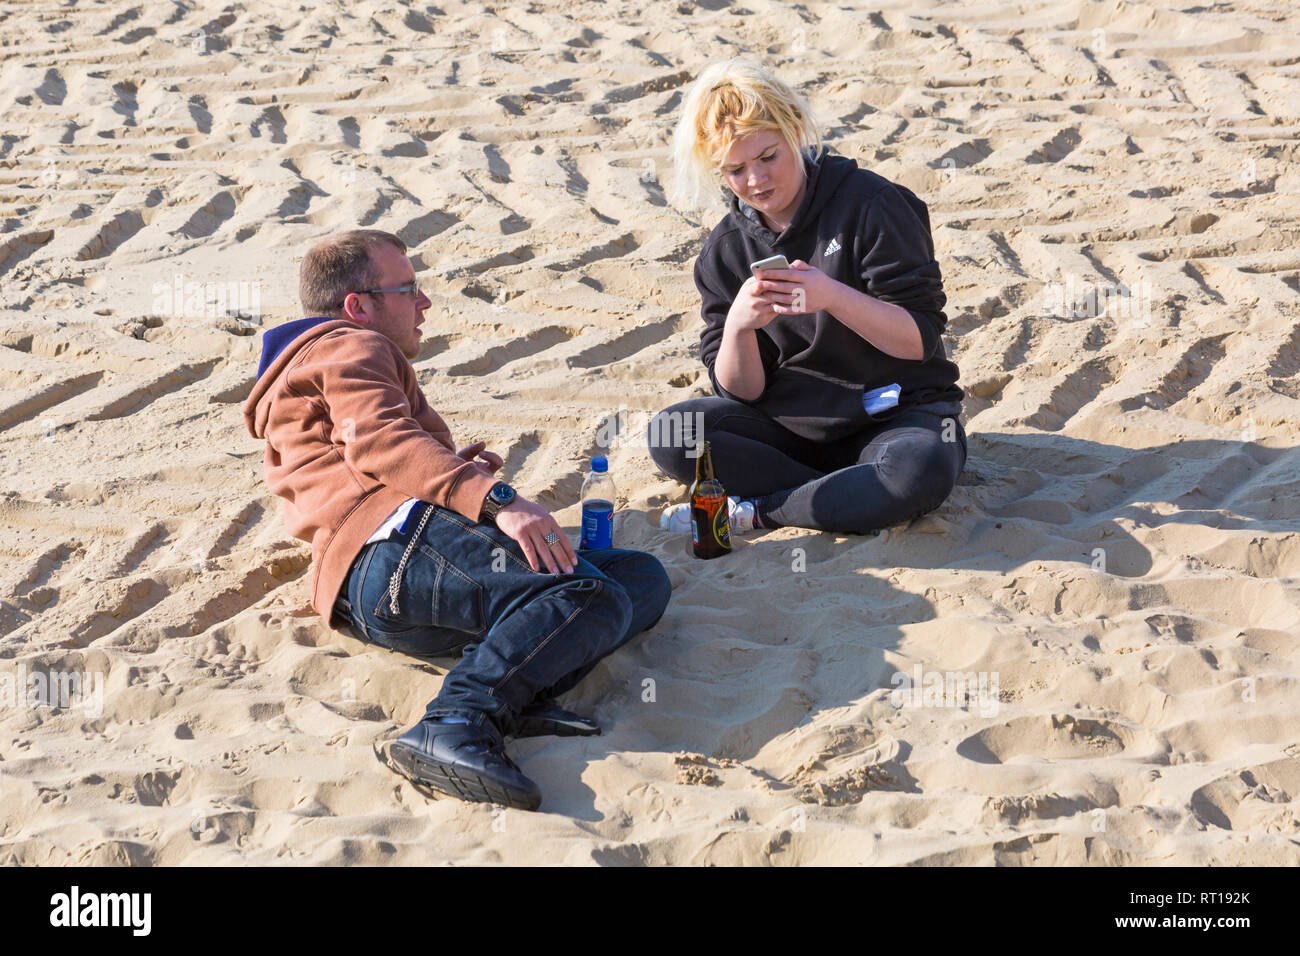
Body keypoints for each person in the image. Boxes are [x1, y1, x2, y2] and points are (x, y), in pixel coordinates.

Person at [243, 229, 671, 811]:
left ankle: (521, 691)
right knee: (588, 594)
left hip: (389, 575)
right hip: (388, 553)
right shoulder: (350, 346)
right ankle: (456, 721)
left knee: (639, 578)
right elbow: (378, 441)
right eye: (408, 288)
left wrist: (451, 472)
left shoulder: (320, 360)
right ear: (357, 305)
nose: (423, 303)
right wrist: (496, 501)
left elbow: (361, 452)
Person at [649, 60, 966, 536]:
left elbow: (918, 343)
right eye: (735, 169)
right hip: (788, 432)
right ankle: (840, 493)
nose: (756, 180)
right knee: (670, 434)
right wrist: (738, 327)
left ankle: (761, 511)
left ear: (796, 131)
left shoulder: (873, 204)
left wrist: (834, 296)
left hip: (895, 415)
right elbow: (743, 392)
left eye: (768, 156)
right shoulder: (725, 250)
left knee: (916, 473)